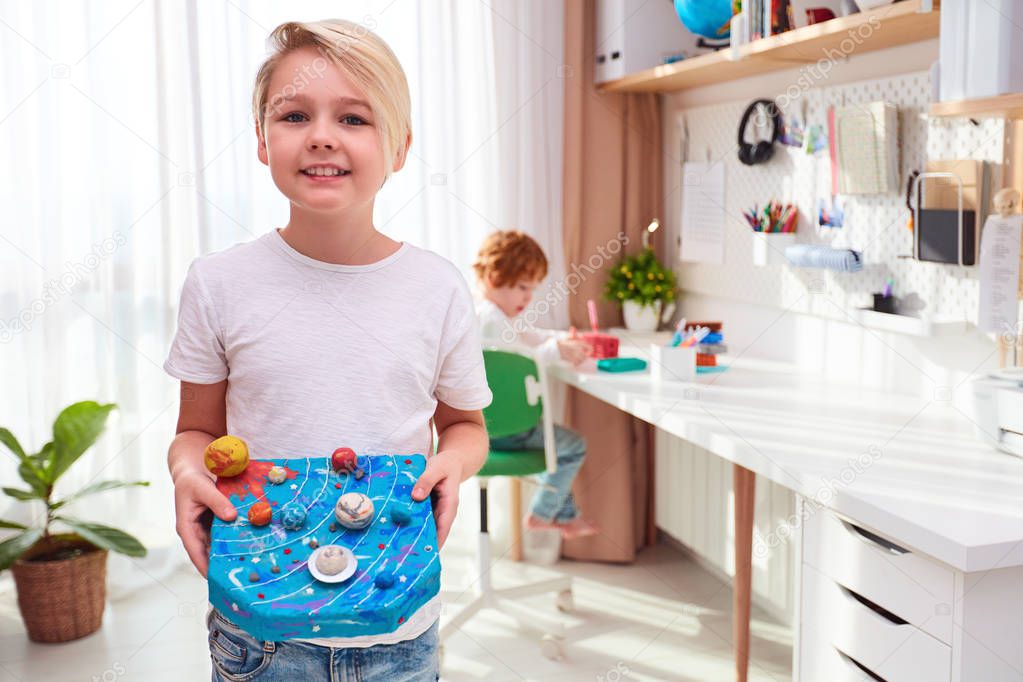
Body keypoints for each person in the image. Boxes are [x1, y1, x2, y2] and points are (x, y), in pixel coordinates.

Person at [164, 19, 492, 681]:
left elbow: (464, 427)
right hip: (259, 634)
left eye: (353, 118)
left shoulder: (436, 287)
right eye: (293, 114)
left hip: (398, 629)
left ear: (399, 147)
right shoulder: (217, 282)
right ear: (261, 140)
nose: (321, 135)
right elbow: (196, 430)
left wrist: (453, 465)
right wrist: (185, 473)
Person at [472, 230, 599, 540]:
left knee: (553, 452)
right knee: (570, 447)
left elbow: (527, 338)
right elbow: (519, 357)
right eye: (521, 287)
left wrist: (558, 341)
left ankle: (566, 515)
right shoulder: (491, 320)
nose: (528, 298)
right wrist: (556, 350)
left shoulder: (491, 315)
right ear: (493, 279)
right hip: (506, 430)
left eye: (533, 289)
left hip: (491, 427)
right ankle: (543, 515)